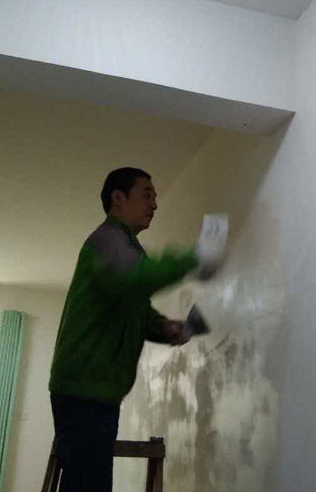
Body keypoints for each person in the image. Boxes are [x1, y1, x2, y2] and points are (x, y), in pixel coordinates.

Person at [49, 167, 210, 492]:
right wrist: (196, 257)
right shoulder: (108, 239)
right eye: (147, 195)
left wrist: (165, 328)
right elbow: (136, 278)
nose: (155, 204)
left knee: (86, 484)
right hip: (85, 388)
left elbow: (135, 308)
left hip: (97, 390)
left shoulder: (128, 248)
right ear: (118, 198)